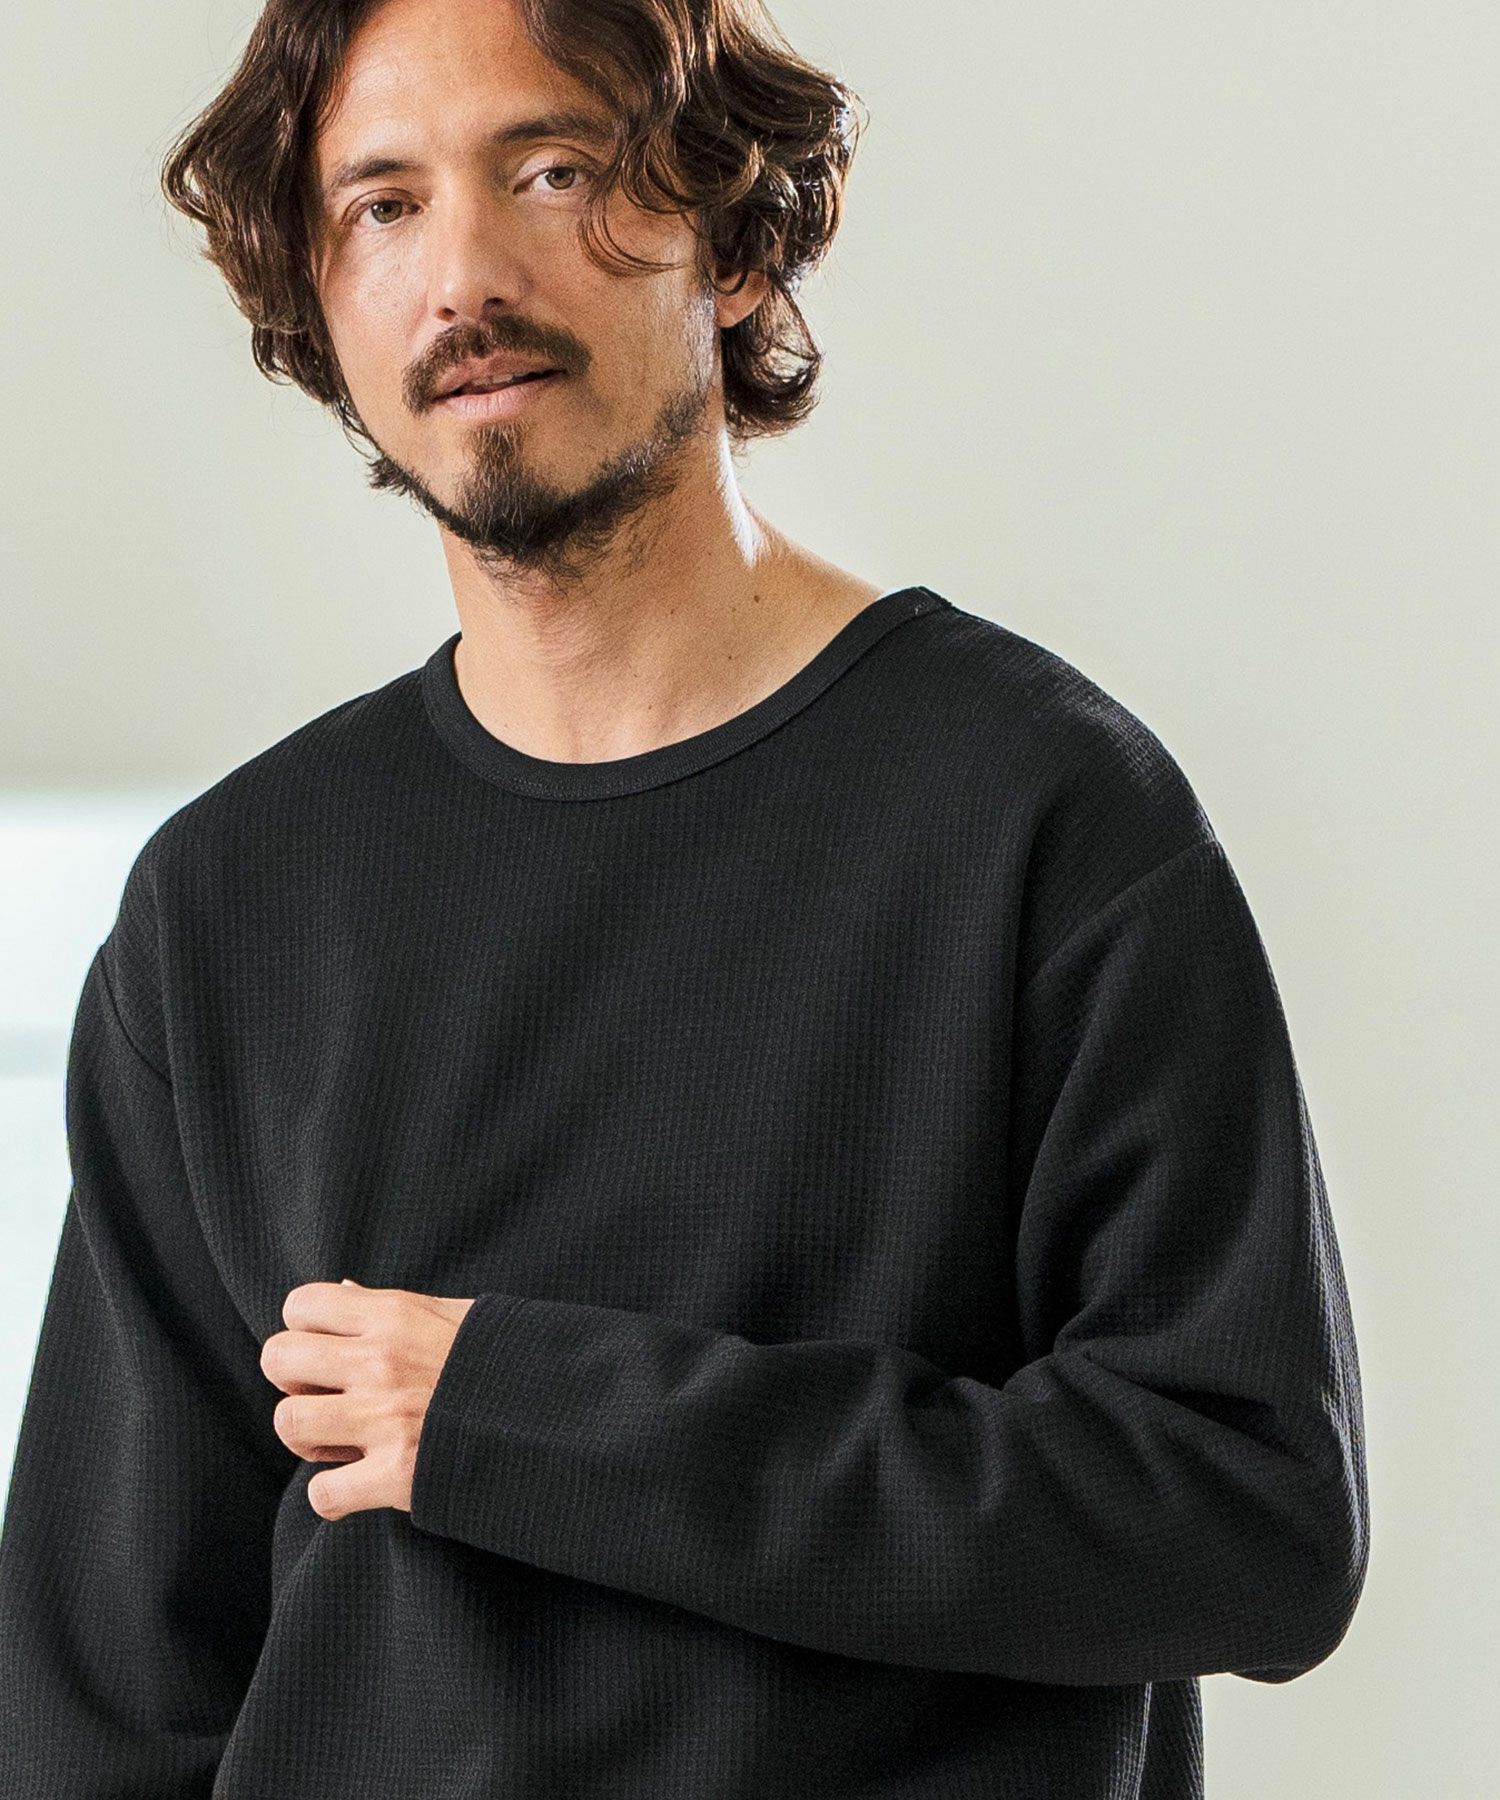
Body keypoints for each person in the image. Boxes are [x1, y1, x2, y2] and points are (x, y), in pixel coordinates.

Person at [0, 0, 1369, 1794]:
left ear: (733, 239)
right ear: (317, 299)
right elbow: (98, 1714)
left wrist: (523, 1418)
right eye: (382, 207)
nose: (462, 278)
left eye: (553, 171)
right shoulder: (224, 910)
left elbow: (1246, 1518)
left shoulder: (1040, 811)